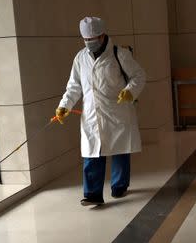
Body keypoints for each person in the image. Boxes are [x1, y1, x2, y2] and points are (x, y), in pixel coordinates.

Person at [54, 17, 146, 206]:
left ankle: (119, 186)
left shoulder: (119, 54)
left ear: (102, 35)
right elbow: (74, 87)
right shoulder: (80, 58)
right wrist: (65, 106)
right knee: (92, 153)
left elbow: (139, 75)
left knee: (120, 151)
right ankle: (92, 194)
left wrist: (130, 92)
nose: (89, 42)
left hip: (117, 112)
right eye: (86, 39)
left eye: (93, 38)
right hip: (91, 115)